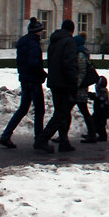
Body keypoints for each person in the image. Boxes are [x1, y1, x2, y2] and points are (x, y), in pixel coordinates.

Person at [0, 17, 47, 149]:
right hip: (33, 80)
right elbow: (34, 63)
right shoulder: (34, 44)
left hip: (25, 79)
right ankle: (39, 140)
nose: (41, 33)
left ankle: (6, 135)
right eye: (40, 31)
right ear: (37, 31)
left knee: (23, 109)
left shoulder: (24, 42)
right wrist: (42, 73)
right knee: (39, 110)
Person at [34, 19, 80, 153]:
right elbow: (69, 64)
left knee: (61, 112)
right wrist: (74, 83)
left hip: (54, 81)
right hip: (64, 83)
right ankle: (42, 139)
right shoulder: (69, 42)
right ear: (72, 30)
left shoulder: (54, 41)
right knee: (62, 113)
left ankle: (64, 142)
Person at [70, 34, 99, 143]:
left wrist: (76, 86)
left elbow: (81, 73)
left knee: (80, 110)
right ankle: (92, 133)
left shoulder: (80, 55)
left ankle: (92, 134)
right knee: (83, 110)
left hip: (79, 89)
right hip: (81, 88)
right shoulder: (83, 52)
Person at [88, 76, 109, 142]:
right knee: (94, 122)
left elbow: (100, 99)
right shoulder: (101, 91)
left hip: (102, 112)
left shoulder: (102, 91)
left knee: (100, 124)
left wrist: (94, 97)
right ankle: (92, 134)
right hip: (99, 111)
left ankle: (102, 136)